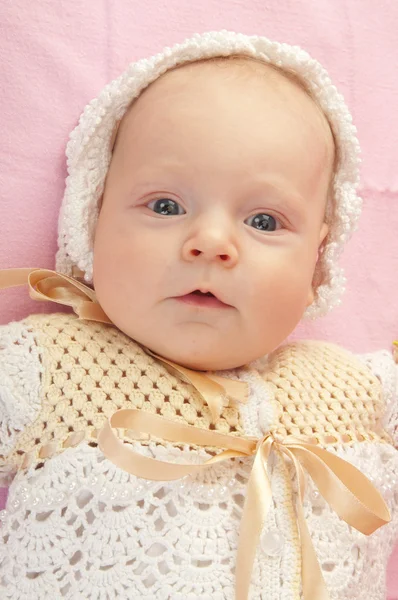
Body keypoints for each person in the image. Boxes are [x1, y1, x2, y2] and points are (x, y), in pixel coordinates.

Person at [0, 30, 397, 600]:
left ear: (317, 264)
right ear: (92, 221)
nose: (210, 242)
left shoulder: (357, 392)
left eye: (263, 222)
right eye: (165, 206)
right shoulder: (48, 369)